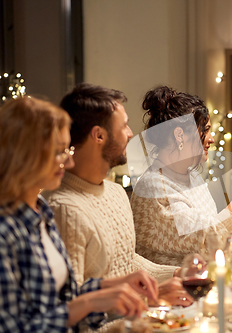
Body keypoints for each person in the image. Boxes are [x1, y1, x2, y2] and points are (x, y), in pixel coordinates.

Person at [0, 97, 157, 332]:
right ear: (26, 154)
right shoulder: (6, 230)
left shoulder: (41, 213)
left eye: (68, 149)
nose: (70, 160)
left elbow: (66, 298)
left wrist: (115, 285)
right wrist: (89, 303)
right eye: (60, 151)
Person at [42, 83, 192, 307]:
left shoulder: (116, 192)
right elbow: (72, 305)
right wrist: (152, 298)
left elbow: (125, 261)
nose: (131, 133)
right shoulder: (64, 209)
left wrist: (178, 274)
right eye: (124, 126)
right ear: (99, 135)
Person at [130, 86, 232, 266]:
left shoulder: (192, 176)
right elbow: (211, 236)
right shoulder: (154, 187)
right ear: (180, 136)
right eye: (205, 130)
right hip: (172, 288)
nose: (211, 138)